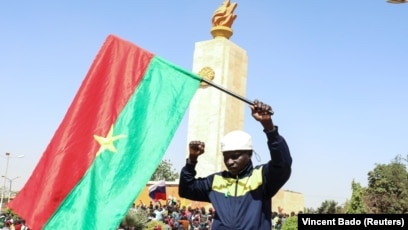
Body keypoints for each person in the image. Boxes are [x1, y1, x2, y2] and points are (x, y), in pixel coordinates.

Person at [179, 99, 292, 230]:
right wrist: (192, 160)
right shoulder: (216, 181)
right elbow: (186, 189)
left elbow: (283, 164)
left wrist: (269, 127)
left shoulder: (261, 178)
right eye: (226, 157)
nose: (229, 162)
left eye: (235, 156)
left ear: (249, 154)